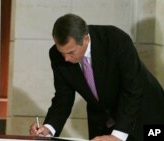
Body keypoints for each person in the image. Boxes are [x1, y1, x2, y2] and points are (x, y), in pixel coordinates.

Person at [29, 13, 164, 141]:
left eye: (71, 52)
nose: (65, 59)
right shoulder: (57, 55)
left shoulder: (116, 40)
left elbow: (133, 90)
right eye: (62, 52)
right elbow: (63, 97)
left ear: (86, 39)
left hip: (146, 115)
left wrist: (118, 135)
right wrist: (48, 128)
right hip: (104, 122)